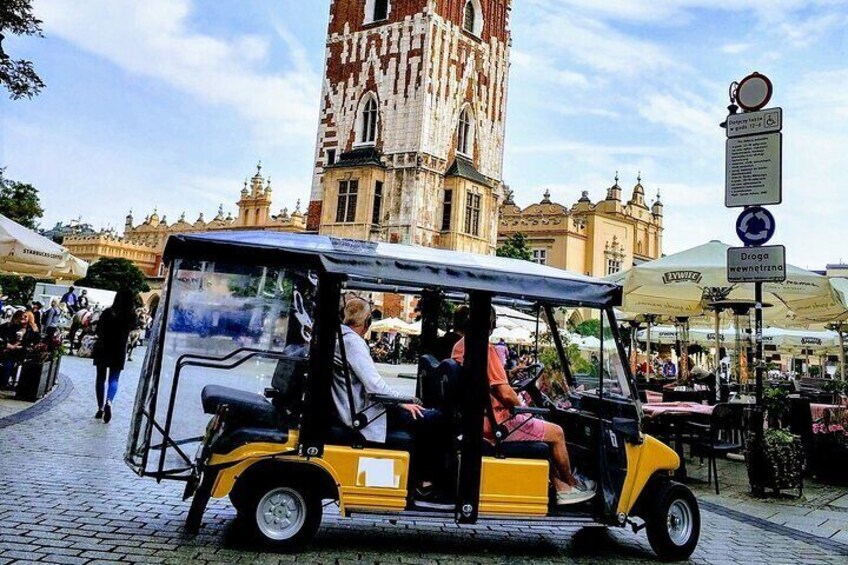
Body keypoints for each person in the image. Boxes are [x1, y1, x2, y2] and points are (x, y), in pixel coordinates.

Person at [452, 306, 595, 505]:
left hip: (478, 418)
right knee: (557, 433)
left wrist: (511, 375)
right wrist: (521, 404)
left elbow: (489, 381)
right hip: (497, 423)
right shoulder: (484, 348)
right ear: (490, 324)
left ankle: (557, 483)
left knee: (540, 433)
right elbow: (504, 394)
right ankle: (570, 485)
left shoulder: (461, 346)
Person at [333, 297, 448, 503]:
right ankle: (425, 483)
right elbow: (375, 386)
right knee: (435, 419)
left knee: (423, 415)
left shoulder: (342, 337)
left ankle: (420, 479)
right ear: (367, 321)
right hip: (366, 414)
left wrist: (403, 401)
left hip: (363, 408)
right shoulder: (353, 343)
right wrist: (403, 401)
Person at [92, 288, 136, 423]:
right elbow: (133, 328)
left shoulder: (107, 312)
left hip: (103, 347)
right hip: (119, 349)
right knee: (114, 379)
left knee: (100, 378)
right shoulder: (131, 315)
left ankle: (100, 408)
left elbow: (98, 329)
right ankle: (109, 402)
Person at [0, 311, 28, 389]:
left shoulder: (21, 328)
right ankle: (4, 383)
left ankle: (7, 382)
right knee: (8, 365)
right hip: (6, 351)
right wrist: (10, 346)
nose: (21, 321)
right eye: (20, 319)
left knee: (12, 366)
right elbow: (3, 340)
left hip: (14, 352)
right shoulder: (6, 327)